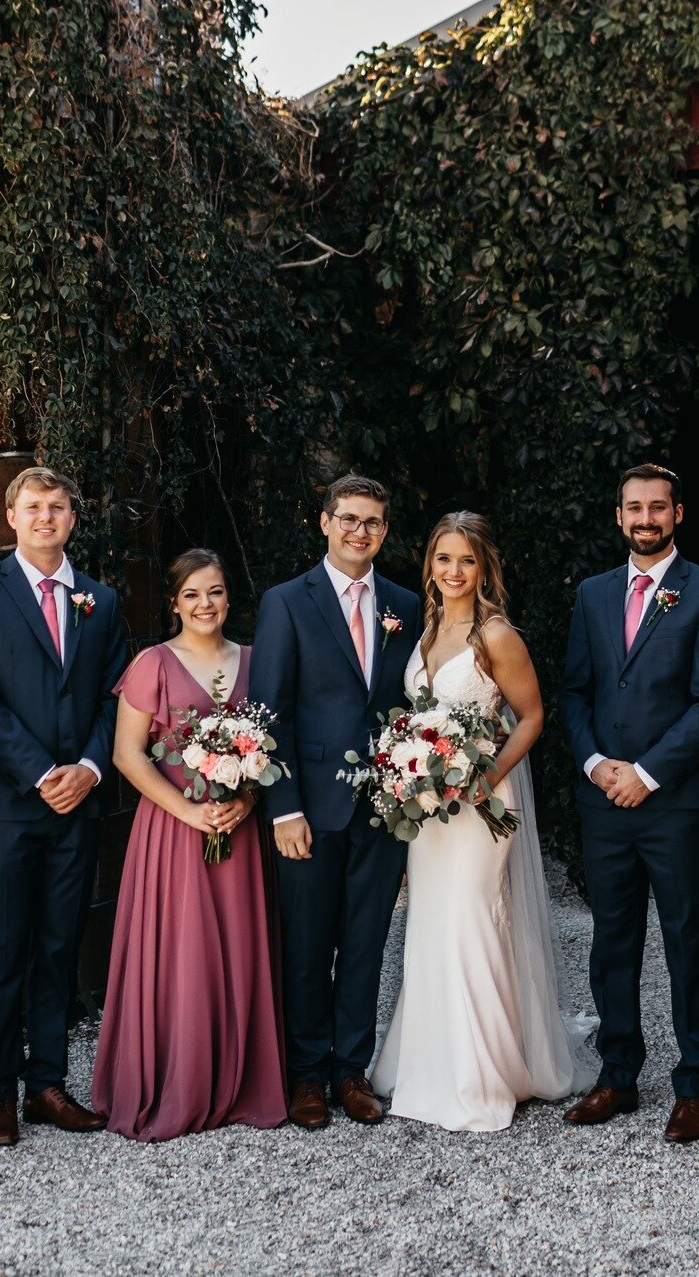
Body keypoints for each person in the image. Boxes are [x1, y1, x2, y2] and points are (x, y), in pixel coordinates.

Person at [371, 514, 595, 1131]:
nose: (453, 571)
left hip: (479, 807)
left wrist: (485, 776)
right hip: (430, 811)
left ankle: (481, 1071)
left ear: (483, 566)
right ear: (429, 566)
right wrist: (408, 767)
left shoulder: (496, 635)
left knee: (473, 921)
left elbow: (531, 716)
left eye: (465, 560)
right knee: (431, 922)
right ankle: (430, 1060)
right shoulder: (425, 629)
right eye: (443, 559)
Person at [0, 466, 130, 1144]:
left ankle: (46, 1082)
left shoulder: (100, 602)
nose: (46, 516)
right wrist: (41, 770)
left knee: (59, 944)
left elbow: (118, 696)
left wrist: (86, 767)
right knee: (0, 946)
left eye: (58, 506)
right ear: (11, 515)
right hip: (7, 803)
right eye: (34, 506)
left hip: (78, 803)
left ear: (72, 517)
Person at [556, 463, 699, 1144]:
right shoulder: (593, 593)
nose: (645, 519)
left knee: (689, 939)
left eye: (657, 508)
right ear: (618, 515)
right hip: (604, 797)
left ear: (678, 515)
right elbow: (574, 692)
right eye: (634, 508)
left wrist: (649, 771)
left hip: (675, 800)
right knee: (613, 939)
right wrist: (598, 763)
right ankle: (619, 1073)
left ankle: (695, 1084)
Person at [91, 549, 287, 1141]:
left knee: (239, 944)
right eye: (193, 595)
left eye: (217, 592)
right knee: (180, 949)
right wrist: (187, 812)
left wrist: (249, 800)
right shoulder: (152, 663)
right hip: (173, 833)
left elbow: (274, 745)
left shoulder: (257, 661)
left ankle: (242, 1079)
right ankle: (177, 1077)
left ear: (230, 598)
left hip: (240, 828)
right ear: (174, 602)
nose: (206, 605)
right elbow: (127, 754)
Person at [251, 475, 423, 1129]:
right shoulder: (287, 603)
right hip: (310, 810)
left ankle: (352, 1068)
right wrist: (284, 806)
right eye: (348, 518)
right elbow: (270, 712)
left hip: (385, 808)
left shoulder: (405, 602)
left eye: (373, 521)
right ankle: (306, 1075)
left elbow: (412, 704)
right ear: (324, 522)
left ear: (385, 529)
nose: (360, 531)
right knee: (307, 943)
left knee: (365, 942)